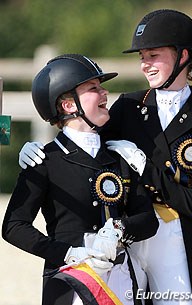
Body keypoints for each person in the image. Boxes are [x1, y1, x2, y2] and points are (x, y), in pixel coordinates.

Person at [17, 9, 192, 305]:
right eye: (142, 57)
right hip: (124, 236)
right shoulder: (128, 105)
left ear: (182, 57)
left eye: (152, 55)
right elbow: (84, 147)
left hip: (171, 237)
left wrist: (145, 166)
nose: (145, 65)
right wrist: (40, 152)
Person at [2, 54, 159, 305]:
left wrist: (119, 230)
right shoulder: (45, 161)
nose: (104, 92)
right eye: (93, 88)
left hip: (121, 284)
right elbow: (14, 226)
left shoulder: (119, 158)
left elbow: (148, 220)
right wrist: (67, 253)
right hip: (71, 282)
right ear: (68, 105)